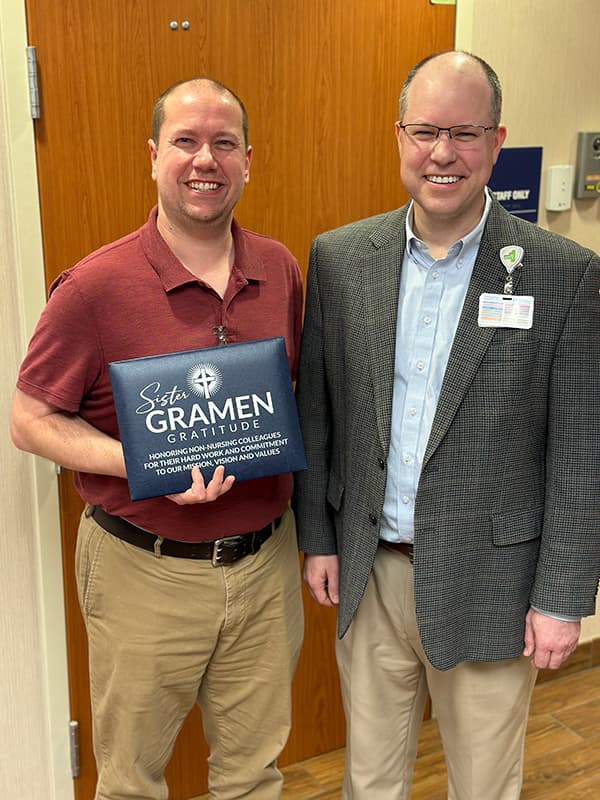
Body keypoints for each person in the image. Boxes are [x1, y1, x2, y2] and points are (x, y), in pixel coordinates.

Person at [293, 50, 600, 800]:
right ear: (399, 136)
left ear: (497, 141)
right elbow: (319, 413)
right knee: (370, 779)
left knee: (485, 784)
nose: (441, 153)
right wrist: (319, 538)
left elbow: (581, 455)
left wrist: (562, 597)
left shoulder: (563, 273)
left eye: (464, 133)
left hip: (492, 580)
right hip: (370, 573)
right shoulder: (341, 259)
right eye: (425, 130)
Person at [11, 77, 304, 800]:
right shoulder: (94, 287)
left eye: (224, 143)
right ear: (153, 156)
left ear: (247, 161)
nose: (205, 159)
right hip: (144, 570)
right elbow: (28, 420)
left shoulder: (281, 268)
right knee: (133, 780)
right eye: (186, 141)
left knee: (254, 773)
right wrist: (146, 464)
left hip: (266, 565)